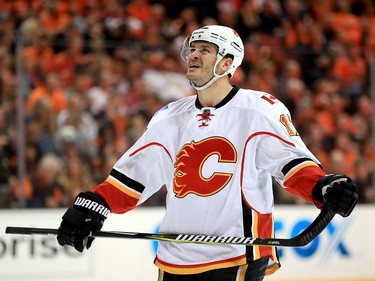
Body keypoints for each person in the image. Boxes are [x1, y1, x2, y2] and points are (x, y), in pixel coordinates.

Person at [56, 25, 358, 281]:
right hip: (174, 256)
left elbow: (292, 165)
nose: (193, 55)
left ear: (227, 64)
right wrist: (94, 205)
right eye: (192, 49)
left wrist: (323, 187)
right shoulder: (169, 117)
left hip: (236, 254)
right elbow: (133, 177)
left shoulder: (259, 110)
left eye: (204, 49)